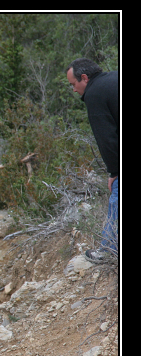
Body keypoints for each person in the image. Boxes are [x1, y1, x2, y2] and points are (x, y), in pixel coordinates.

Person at [66, 58, 119, 263]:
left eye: (73, 84)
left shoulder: (94, 94)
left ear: (84, 78)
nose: (74, 90)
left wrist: (114, 172)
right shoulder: (114, 78)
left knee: (117, 195)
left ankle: (108, 249)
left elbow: (107, 138)